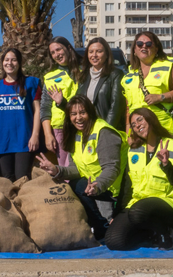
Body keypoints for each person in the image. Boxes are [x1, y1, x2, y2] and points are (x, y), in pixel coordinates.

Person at [36, 95, 126, 240]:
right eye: (74, 114)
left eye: (82, 112)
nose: (78, 118)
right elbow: (76, 169)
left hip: (110, 189)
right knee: (75, 184)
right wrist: (56, 170)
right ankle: (99, 225)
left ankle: (103, 224)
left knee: (116, 239)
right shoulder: (77, 134)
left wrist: (97, 186)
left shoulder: (104, 132)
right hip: (93, 188)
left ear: (90, 112)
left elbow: (111, 168)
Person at [105, 108, 173, 251]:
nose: (137, 125)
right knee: (114, 241)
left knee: (138, 212)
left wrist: (166, 165)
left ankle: (166, 233)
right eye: (133, 124)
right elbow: (127, 185)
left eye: (140, 120)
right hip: (137, 204)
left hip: (168, 203)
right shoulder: (134, 150)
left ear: (151, 119)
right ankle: (148, 234)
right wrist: (117, 215)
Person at [0, 48, 42, 182]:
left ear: (19, 63)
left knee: (22, 179)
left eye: (14, 60)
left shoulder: (31, 83)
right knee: (7, 180)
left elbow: (38, 110)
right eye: (6, 60)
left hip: (24, 140)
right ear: (2, 63)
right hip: (3, 141)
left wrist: (35, 135)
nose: (10, 63)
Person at [120, 32, 173, 136]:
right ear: (134, 50)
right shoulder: (128, 76)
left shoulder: (167, 67)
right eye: (139, 44)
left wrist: (161, 97)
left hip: (164, 130)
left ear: (156, 49)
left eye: (148, 44)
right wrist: (129, 133)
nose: (144, 46)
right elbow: (128, 109)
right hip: (138, 133)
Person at [40, 37, 80, 167]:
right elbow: (45, 108)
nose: (56, 54)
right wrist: (48, 135)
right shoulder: (50, 77)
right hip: (61, 129)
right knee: (65, 169)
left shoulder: (85, 71)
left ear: (68, 48)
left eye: (58, 49)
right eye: (53, 52)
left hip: (83, 126)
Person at [73, 37, 126, 129]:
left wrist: (106, 130)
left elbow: (116, 107)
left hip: (106, 128)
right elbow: (78, 104)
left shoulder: (116, 74)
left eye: (99, 51)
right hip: (86, 128)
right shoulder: (83, 75)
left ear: (106, 54)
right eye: (91, 52)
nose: (94, 55)